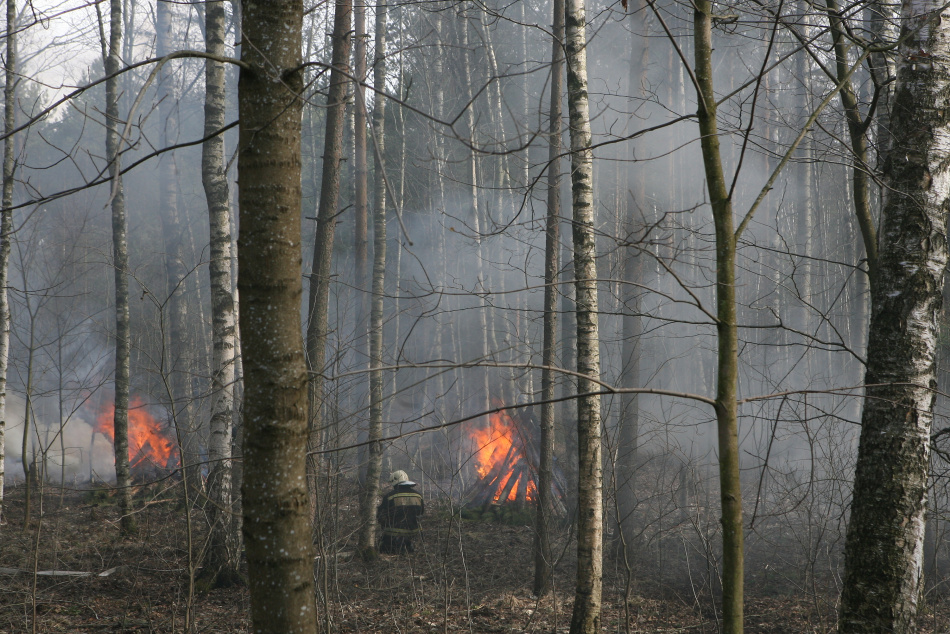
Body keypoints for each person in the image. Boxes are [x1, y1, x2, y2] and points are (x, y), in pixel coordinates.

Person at [377, 470, 424, 554]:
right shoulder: (418, 495)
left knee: (383, 548)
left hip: (394, 535)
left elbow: (380, 515)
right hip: (414, 533)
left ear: (394, 482)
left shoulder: (390, 496)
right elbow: (421, 513)